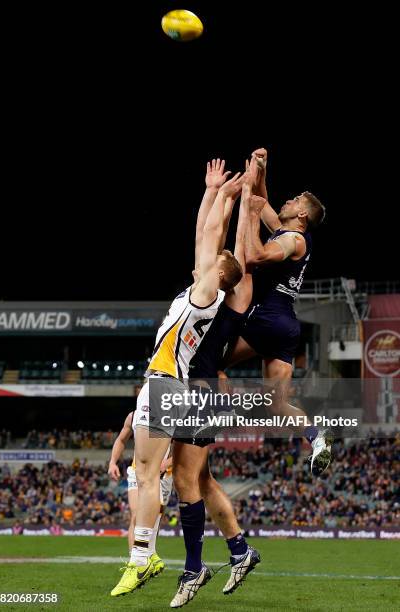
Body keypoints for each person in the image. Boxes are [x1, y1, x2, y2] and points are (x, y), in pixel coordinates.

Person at [115, 163, 244, 597]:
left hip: (166, 382)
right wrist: (213, 194)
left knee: (149, 473)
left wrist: (222, 198)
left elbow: (210, 237)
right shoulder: (198, 295)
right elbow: (202, 237)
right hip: (172, 384)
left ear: (219, 272)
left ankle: (144, 557)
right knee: (151, 472)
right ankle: (145, 555)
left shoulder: (208, 293)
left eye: (212, 261)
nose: (203, 261)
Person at [226, 148, 332, 474]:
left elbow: (255, 256)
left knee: (209, 363)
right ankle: (317, 440)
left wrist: (252, 216)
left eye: (296, 200)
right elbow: (265, 199)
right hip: (286, 325)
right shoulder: (289, 233)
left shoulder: (291, 240)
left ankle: (224, 416)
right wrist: (261, 170)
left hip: (268, 318)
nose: (289, 201)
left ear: (302, 216)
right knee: (276, 406)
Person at [108, 411, 173, 596]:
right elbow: (121, 439)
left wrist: (167, 463)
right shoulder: (134, 415)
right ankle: (136, 563)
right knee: (137, 516)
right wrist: (113, 462)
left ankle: (150, 554)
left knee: (154, 518)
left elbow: (182, 449)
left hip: (165, 475)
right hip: (139, 473)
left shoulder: (173, 414)